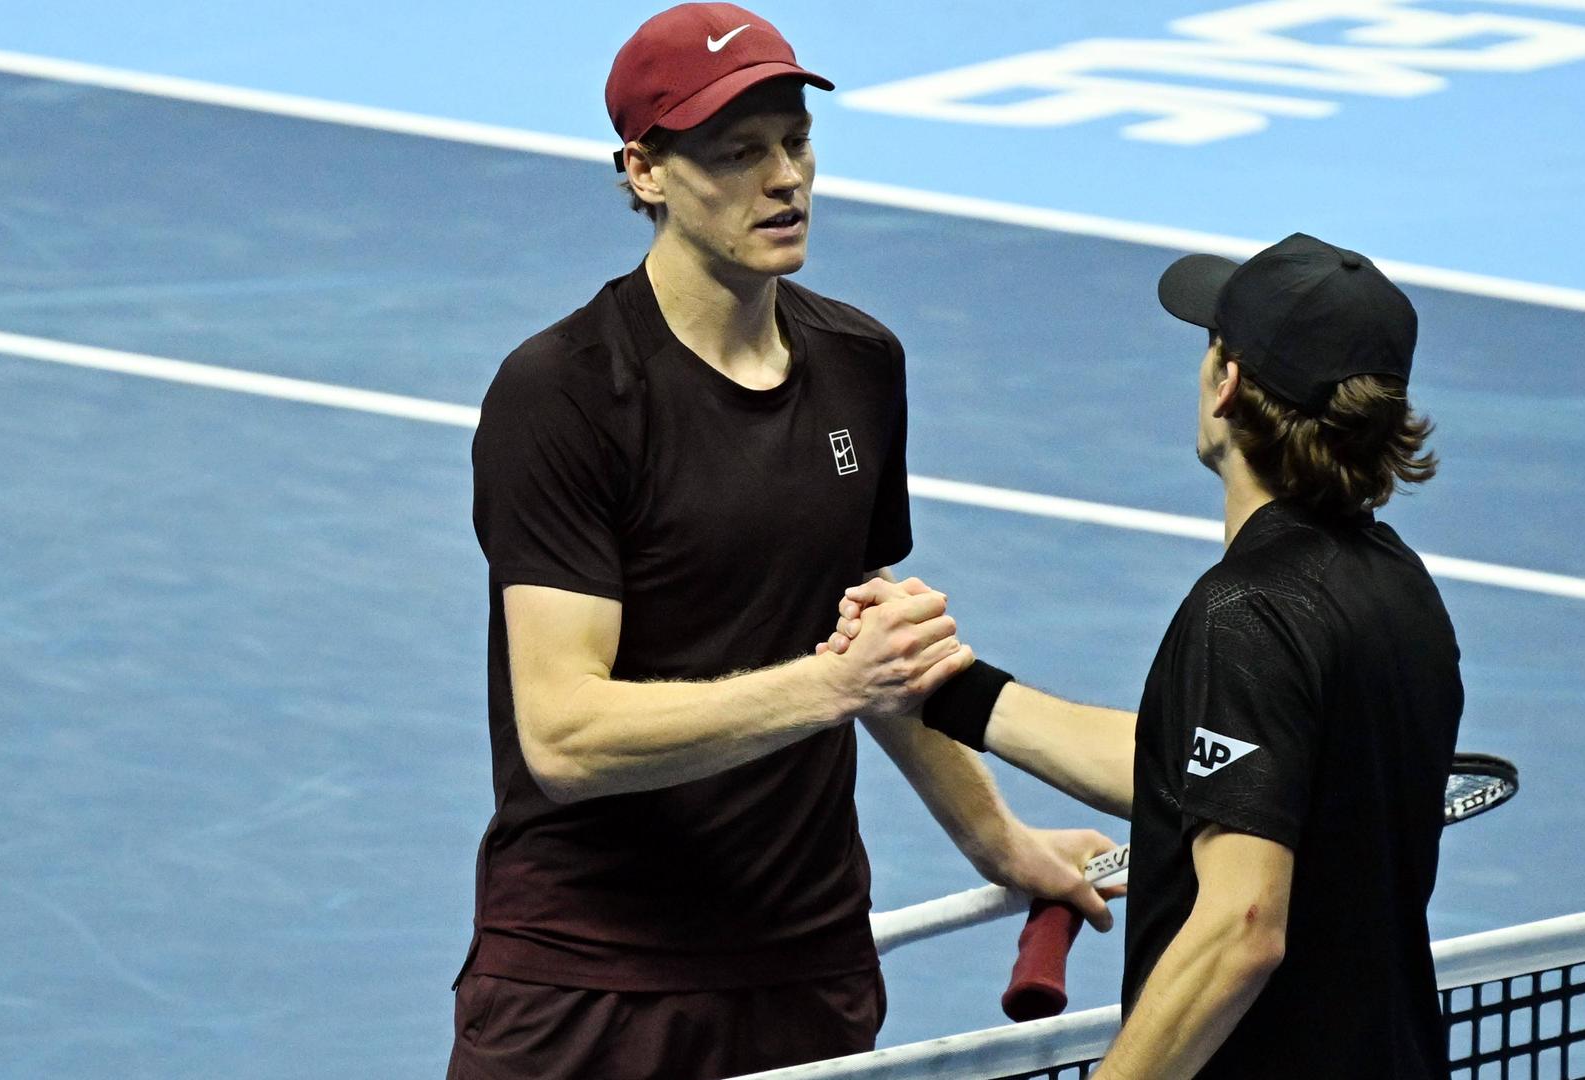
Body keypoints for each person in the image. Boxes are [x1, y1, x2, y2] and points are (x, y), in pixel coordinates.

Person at [450, 5, 1114, 1078]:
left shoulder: (860, 362)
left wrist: (999, 842)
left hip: (808, 967)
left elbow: (867, 635)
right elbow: (565, 738)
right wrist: (833, 687)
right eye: (737, 153)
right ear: (646, 172)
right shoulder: (566, 394)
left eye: (796, 143)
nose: (785, 179)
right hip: (591, 981)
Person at [831, 234, 1464, 1078]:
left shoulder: (1246, 615)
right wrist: (949, 690)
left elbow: (1241, 928)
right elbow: (1226, 780)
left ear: (1227, 383)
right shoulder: (1398, 587)